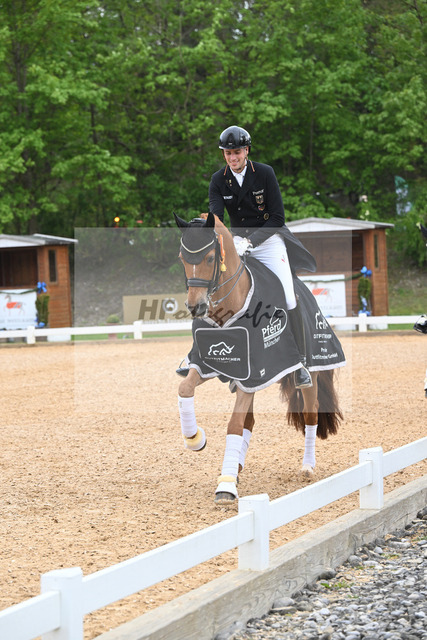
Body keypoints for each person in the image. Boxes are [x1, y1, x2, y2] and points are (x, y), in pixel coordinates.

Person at [177, 125, 317, 389]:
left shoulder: (264, 173)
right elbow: (217, 218)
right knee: (213, 292)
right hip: (236, 243)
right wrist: (222, 238)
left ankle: (300, 362)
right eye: (228, 153)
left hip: (269, 242)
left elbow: (277, 217)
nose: (233, 157)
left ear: (246, 151)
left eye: (237, 152)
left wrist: (252, 241)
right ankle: (196, 356)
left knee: (288, 296)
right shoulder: (218, 180)